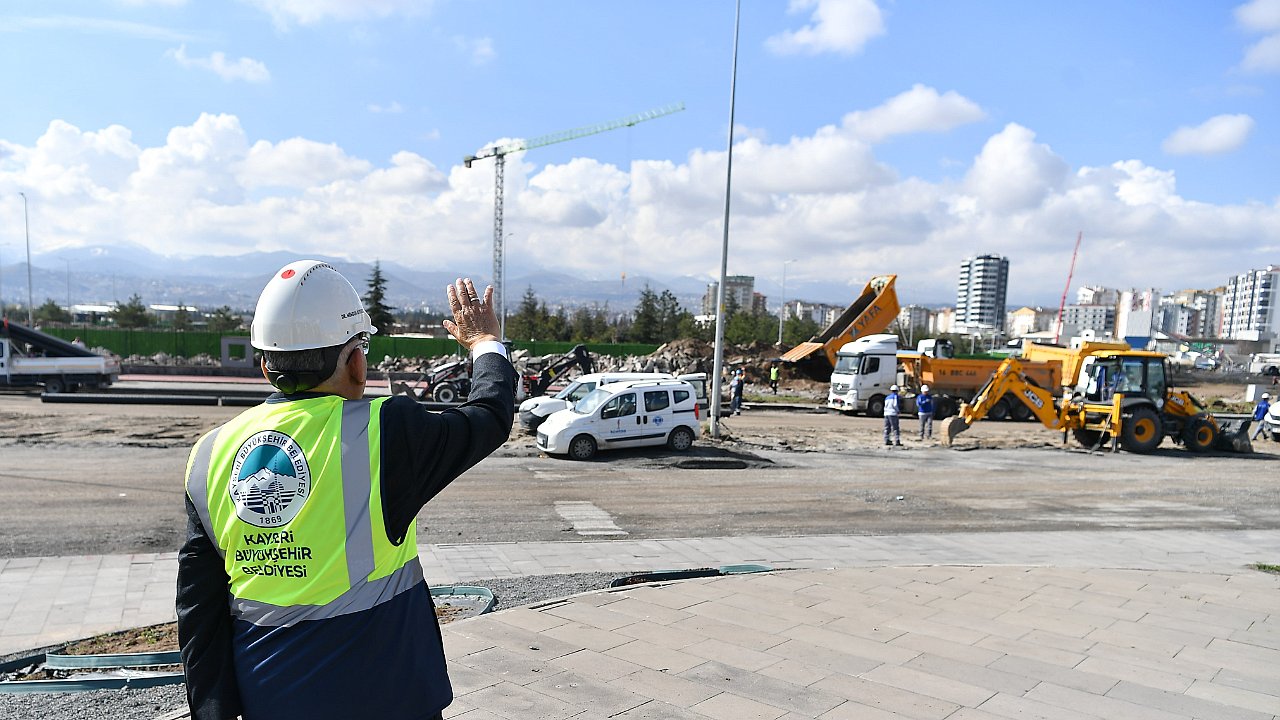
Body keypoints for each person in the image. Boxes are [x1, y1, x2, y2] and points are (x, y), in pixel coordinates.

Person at [176, 261, 515, 720]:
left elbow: (199, 608)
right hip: (390, 698)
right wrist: (485, 343)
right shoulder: (383, 432)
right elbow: (488, 416)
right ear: (356, 361)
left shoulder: (209, 455)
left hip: (270, 698)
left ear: (265, 365)